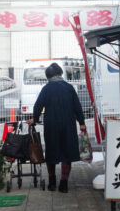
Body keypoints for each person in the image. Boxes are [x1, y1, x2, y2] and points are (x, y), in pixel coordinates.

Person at [26, 62, 86, 193]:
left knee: (52, 151)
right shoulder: (69, 88)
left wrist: (35, 119)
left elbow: (38, 106)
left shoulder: (46, 89)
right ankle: (63, 183)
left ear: (48, 76)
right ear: (60, 73)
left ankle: (52, 182)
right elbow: (77, 106)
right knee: (67, 153)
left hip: (51, 125)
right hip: (68, 125)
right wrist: (81, 122)